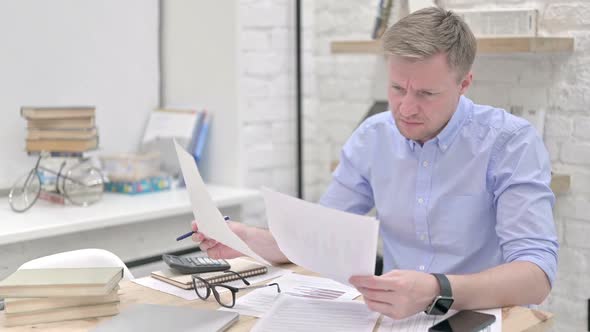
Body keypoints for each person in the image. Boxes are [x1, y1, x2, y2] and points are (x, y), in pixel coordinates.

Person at [192, 6, 558, 319]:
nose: (407, 108)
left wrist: (437, 289)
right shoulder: (374, 136)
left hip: (480, 318)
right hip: (395, 319)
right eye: (398, 88)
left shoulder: (510, 142)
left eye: (427, 94)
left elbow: (536, 276)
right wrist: (247, 240)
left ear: (465, 84)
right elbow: (321, 237)